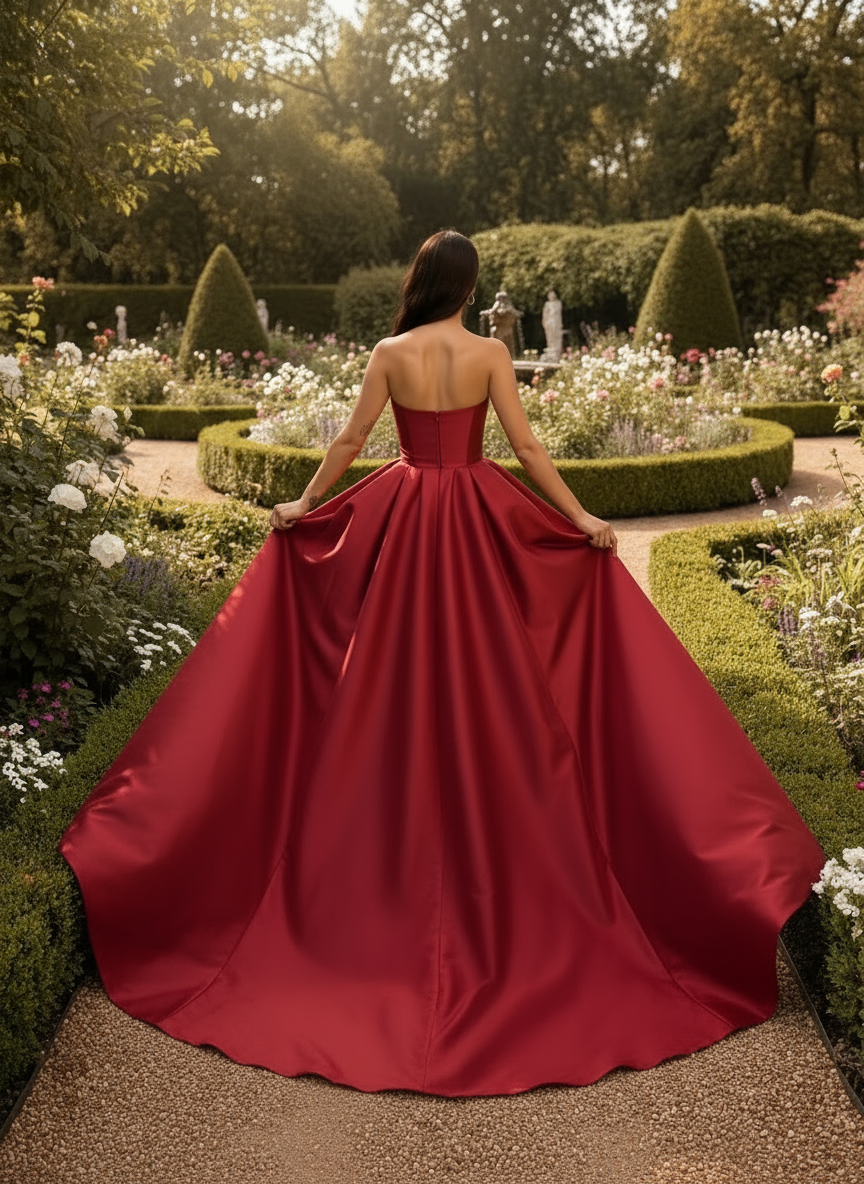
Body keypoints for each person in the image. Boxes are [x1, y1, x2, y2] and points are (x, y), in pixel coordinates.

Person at [59, 230, 824, 1099]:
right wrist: (579, 522)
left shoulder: (389, 351)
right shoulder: (493, 350)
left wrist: (304, 503)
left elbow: (351, 441)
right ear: (470, 289)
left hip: (405, 514)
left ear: (422, 281)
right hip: (472, 517)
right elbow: (527, 452)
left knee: (382, 672)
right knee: (496, 678)